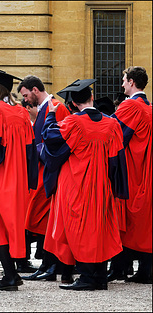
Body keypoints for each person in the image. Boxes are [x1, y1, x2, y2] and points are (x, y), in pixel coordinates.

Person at [41, 78, 128, 291]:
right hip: (102, 184)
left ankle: (88, 276)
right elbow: (116, 160)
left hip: (77, 184)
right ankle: (100, 276)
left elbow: (50, 138)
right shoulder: (112, 124)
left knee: (80, 229)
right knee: (101, 228)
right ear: (92, 98)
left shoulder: (73, 122)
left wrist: (51, 114)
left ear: (72, 104)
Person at [0, 67, 38, 291]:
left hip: (0, 176)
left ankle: (10, 276)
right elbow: (31, 150)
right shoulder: (22, 112)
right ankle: (13, 272)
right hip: (19, 177)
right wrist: (31, 180)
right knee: (14, 226)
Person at [17, 75, 72, 283]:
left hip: (51, 172)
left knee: (49, 219)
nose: (25, 100)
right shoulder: (44, 109)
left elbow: (61, 139)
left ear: (35, 90)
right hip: (42, 172)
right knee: (41, 220)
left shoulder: (56, 107)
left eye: (25, 95)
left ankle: (52, 264)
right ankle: (47, 264)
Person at [108, 66, 151, 284]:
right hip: (146, 170)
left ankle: (120, 268)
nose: (122, 84)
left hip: (132, 171)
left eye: (124, 80)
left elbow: (113, 133)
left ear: (132, 82)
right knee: (144, 221)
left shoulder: (131, 106)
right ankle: (142, 268)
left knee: (124, 219)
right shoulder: (149, 107)